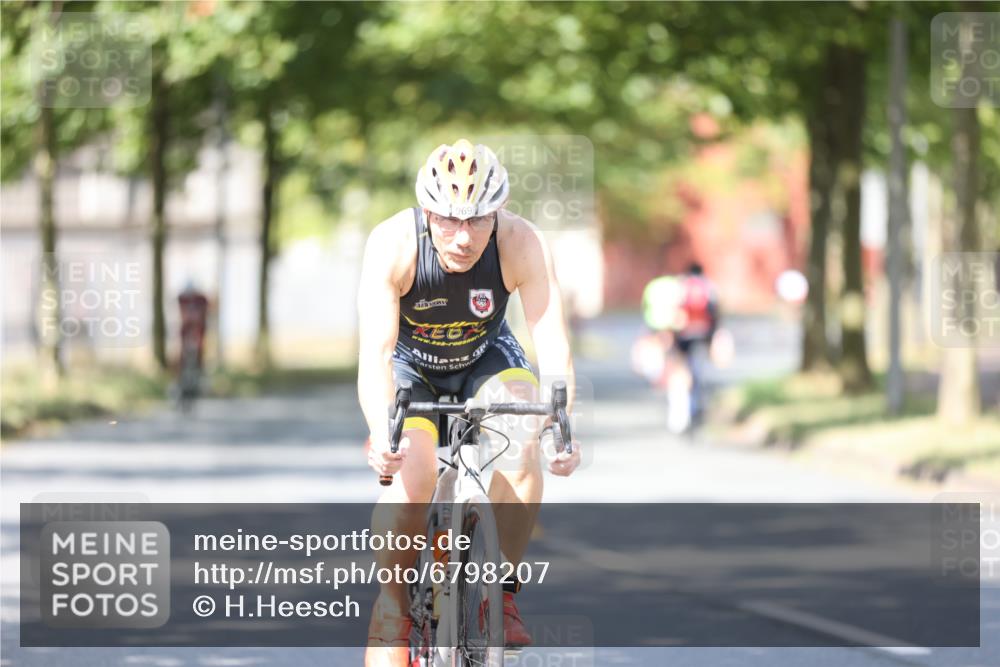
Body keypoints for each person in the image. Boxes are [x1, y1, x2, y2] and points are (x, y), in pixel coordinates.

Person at [357, 139, 582, 666]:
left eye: (478, 221)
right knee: (411, 476)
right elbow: (376, 354)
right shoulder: (394, 243)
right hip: (412, 368)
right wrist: (381, 433)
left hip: (484, 353)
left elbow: (553, 343)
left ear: (497, 213)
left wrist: (562, 429)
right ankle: (394, 605)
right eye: (448, 221)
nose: (463, 237)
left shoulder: (522, 241)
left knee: (524, 435)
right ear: (427, 213)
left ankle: (499, 593)